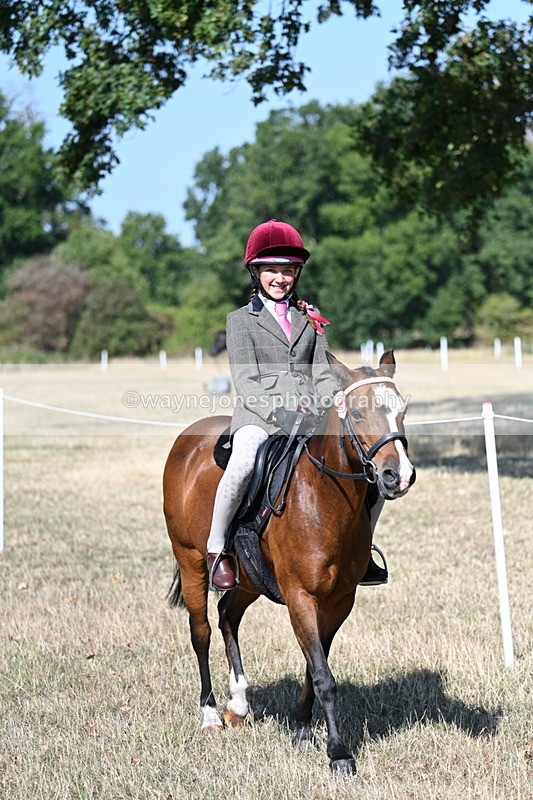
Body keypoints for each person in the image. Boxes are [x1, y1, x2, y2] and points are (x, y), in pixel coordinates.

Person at [206, 219, 387, 591]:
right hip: (260, 416)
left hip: (309, 414)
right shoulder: (240, 321)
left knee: (369, 469)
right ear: (256, 273)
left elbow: (322, 371)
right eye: (271, 269)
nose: (280, 278)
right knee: (241, 463)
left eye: (287, 270)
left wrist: (330, 398)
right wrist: (278, 410)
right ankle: (217, 548)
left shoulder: (309, 318)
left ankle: (361, 548)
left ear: (296, 274)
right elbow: (245, 382)